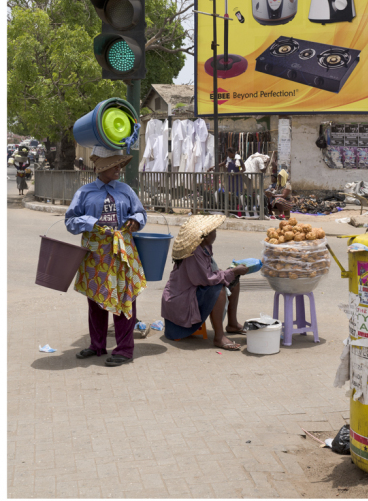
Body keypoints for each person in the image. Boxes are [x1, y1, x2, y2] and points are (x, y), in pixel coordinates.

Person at [65, 146, 147, 367]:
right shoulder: (84, 193)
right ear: (101, 168)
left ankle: (125, 349)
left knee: (124, 299)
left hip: (122, 252)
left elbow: (140, 212)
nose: (119, 168)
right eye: (114, 165)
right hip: (95, 254)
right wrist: (91, 222)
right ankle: (97, 345)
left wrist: (136, 220)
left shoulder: (126, 190)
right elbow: (70, 222)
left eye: (120, 164)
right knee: (96, 301)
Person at [162, 215, 249, 351]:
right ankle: (219, 337)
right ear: (204, 235)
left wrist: (231, 273)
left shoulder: (204, 247)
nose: (215, 234)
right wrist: (232, 272)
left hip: (195, 288)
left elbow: (210, 272)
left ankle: (232, 324)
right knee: (218, 291)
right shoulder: (193, 253)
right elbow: (207, 279)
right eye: (213, 232)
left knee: (234, 282)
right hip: (182, 297)